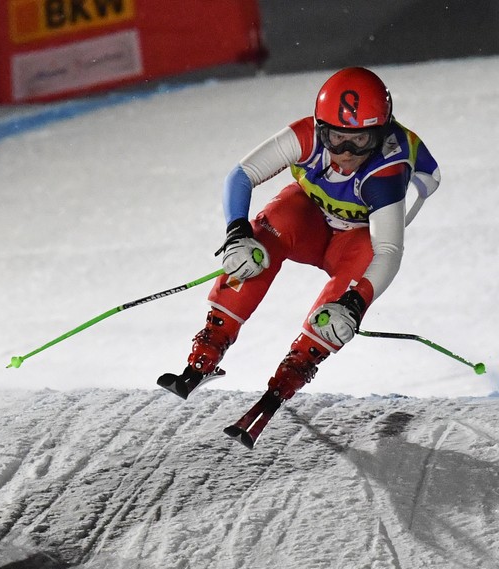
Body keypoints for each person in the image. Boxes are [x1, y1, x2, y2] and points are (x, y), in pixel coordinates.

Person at [158, 66, 440, 445]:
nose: (345, 153)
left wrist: (354, 304)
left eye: (359, 142)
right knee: (265, 233)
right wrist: (237, 233)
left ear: (381, 134)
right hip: (307, 220)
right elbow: (240, 176)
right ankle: (211, 343)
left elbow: (389, 248)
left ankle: (298, 365)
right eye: (336, 139)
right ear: (320, 128)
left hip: (355, 239)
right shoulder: (305, 135)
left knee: (345, 295)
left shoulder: (385, 170)